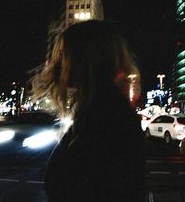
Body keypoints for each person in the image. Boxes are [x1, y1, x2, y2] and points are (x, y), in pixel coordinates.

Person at [29, 20, 145, 201]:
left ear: (86, 58)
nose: (57, 62)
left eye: (64, 54)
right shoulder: (101, 111)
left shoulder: (107, 120)